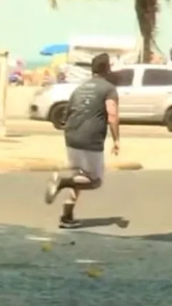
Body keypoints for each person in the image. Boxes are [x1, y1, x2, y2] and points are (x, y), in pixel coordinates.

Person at [44, 53, 120, 229]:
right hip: (90, 138)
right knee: (94, 181)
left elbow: (67, 114)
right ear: (107, 69)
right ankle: (61, 183)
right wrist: (116, 140)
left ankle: (66, 216)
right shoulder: (109, 88)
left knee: (79, 177)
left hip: (71, 136)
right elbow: (113, 115)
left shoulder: (80, 88)